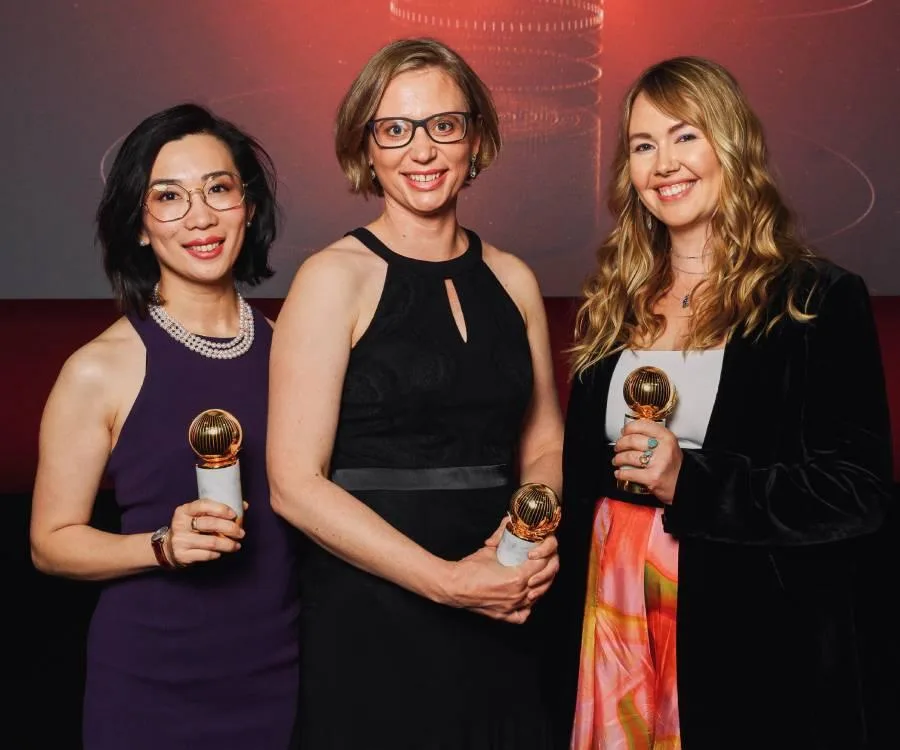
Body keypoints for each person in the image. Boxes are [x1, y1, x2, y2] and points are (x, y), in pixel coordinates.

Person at [547, 57, 895, 749]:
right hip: (609, 619)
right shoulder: (612, 305)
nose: (664, 163)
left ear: (730, 145)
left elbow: (858, 493)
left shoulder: (815, 300)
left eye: (685, 136)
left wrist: (694, 482)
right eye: (643, 145)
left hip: (747, 640)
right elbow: (581, 481)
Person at [267, 37, 564, 749]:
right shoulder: (330, 278)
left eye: (444, 125)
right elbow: (293, 484)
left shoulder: (515, 279)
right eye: (395, 129)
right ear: (365, 148)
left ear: (476, 137)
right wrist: (447, 583)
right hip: (372, 614)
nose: (421, 150)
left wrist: (531, 535)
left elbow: (546, 437)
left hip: (507, 599)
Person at [30, 103, 301, 749]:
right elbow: (50, 542)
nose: (200, 216)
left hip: (284, 673)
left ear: (250, 206)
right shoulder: (99, 368)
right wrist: (160, 545)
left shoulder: (292, 349)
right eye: (169, 197)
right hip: (154, 683)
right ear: (141, 227)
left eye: (218, 189)